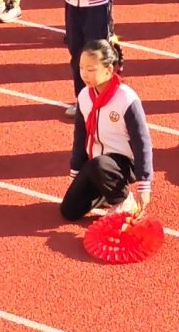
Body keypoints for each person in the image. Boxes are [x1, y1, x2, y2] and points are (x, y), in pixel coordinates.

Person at [61, 39, 154, 221]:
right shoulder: (84, 97)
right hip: (96, 164)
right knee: (69, 211)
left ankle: (124, 201)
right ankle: (106, 191)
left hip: (123, 164)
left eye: (91, 69)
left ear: (109, 70)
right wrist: (75, 170)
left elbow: (142, 142)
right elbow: (80, 137)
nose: (84, 74)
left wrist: (145, 185)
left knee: (100, 164)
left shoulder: (126, 99)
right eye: (81, 68)